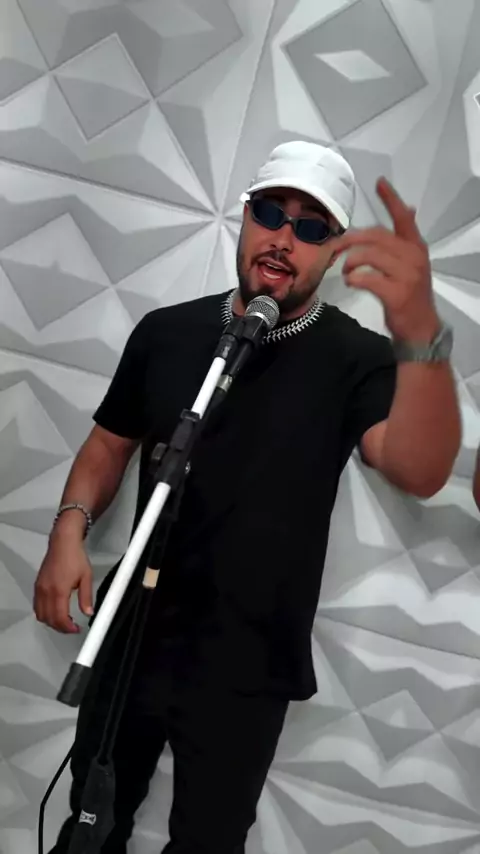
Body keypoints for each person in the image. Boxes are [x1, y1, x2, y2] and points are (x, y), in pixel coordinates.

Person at [34, 140, 461, 854]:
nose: (284, 238)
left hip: (248, 662)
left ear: (333, 250)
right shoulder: (168, 332)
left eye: (312, 226)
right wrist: (67, 531)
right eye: (270, 213)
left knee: (209, 842)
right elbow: (109, 444)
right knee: (90, 826)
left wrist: (421, 337)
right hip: (132, 634)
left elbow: (421, 470)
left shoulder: (356, 358)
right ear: (245, 217)